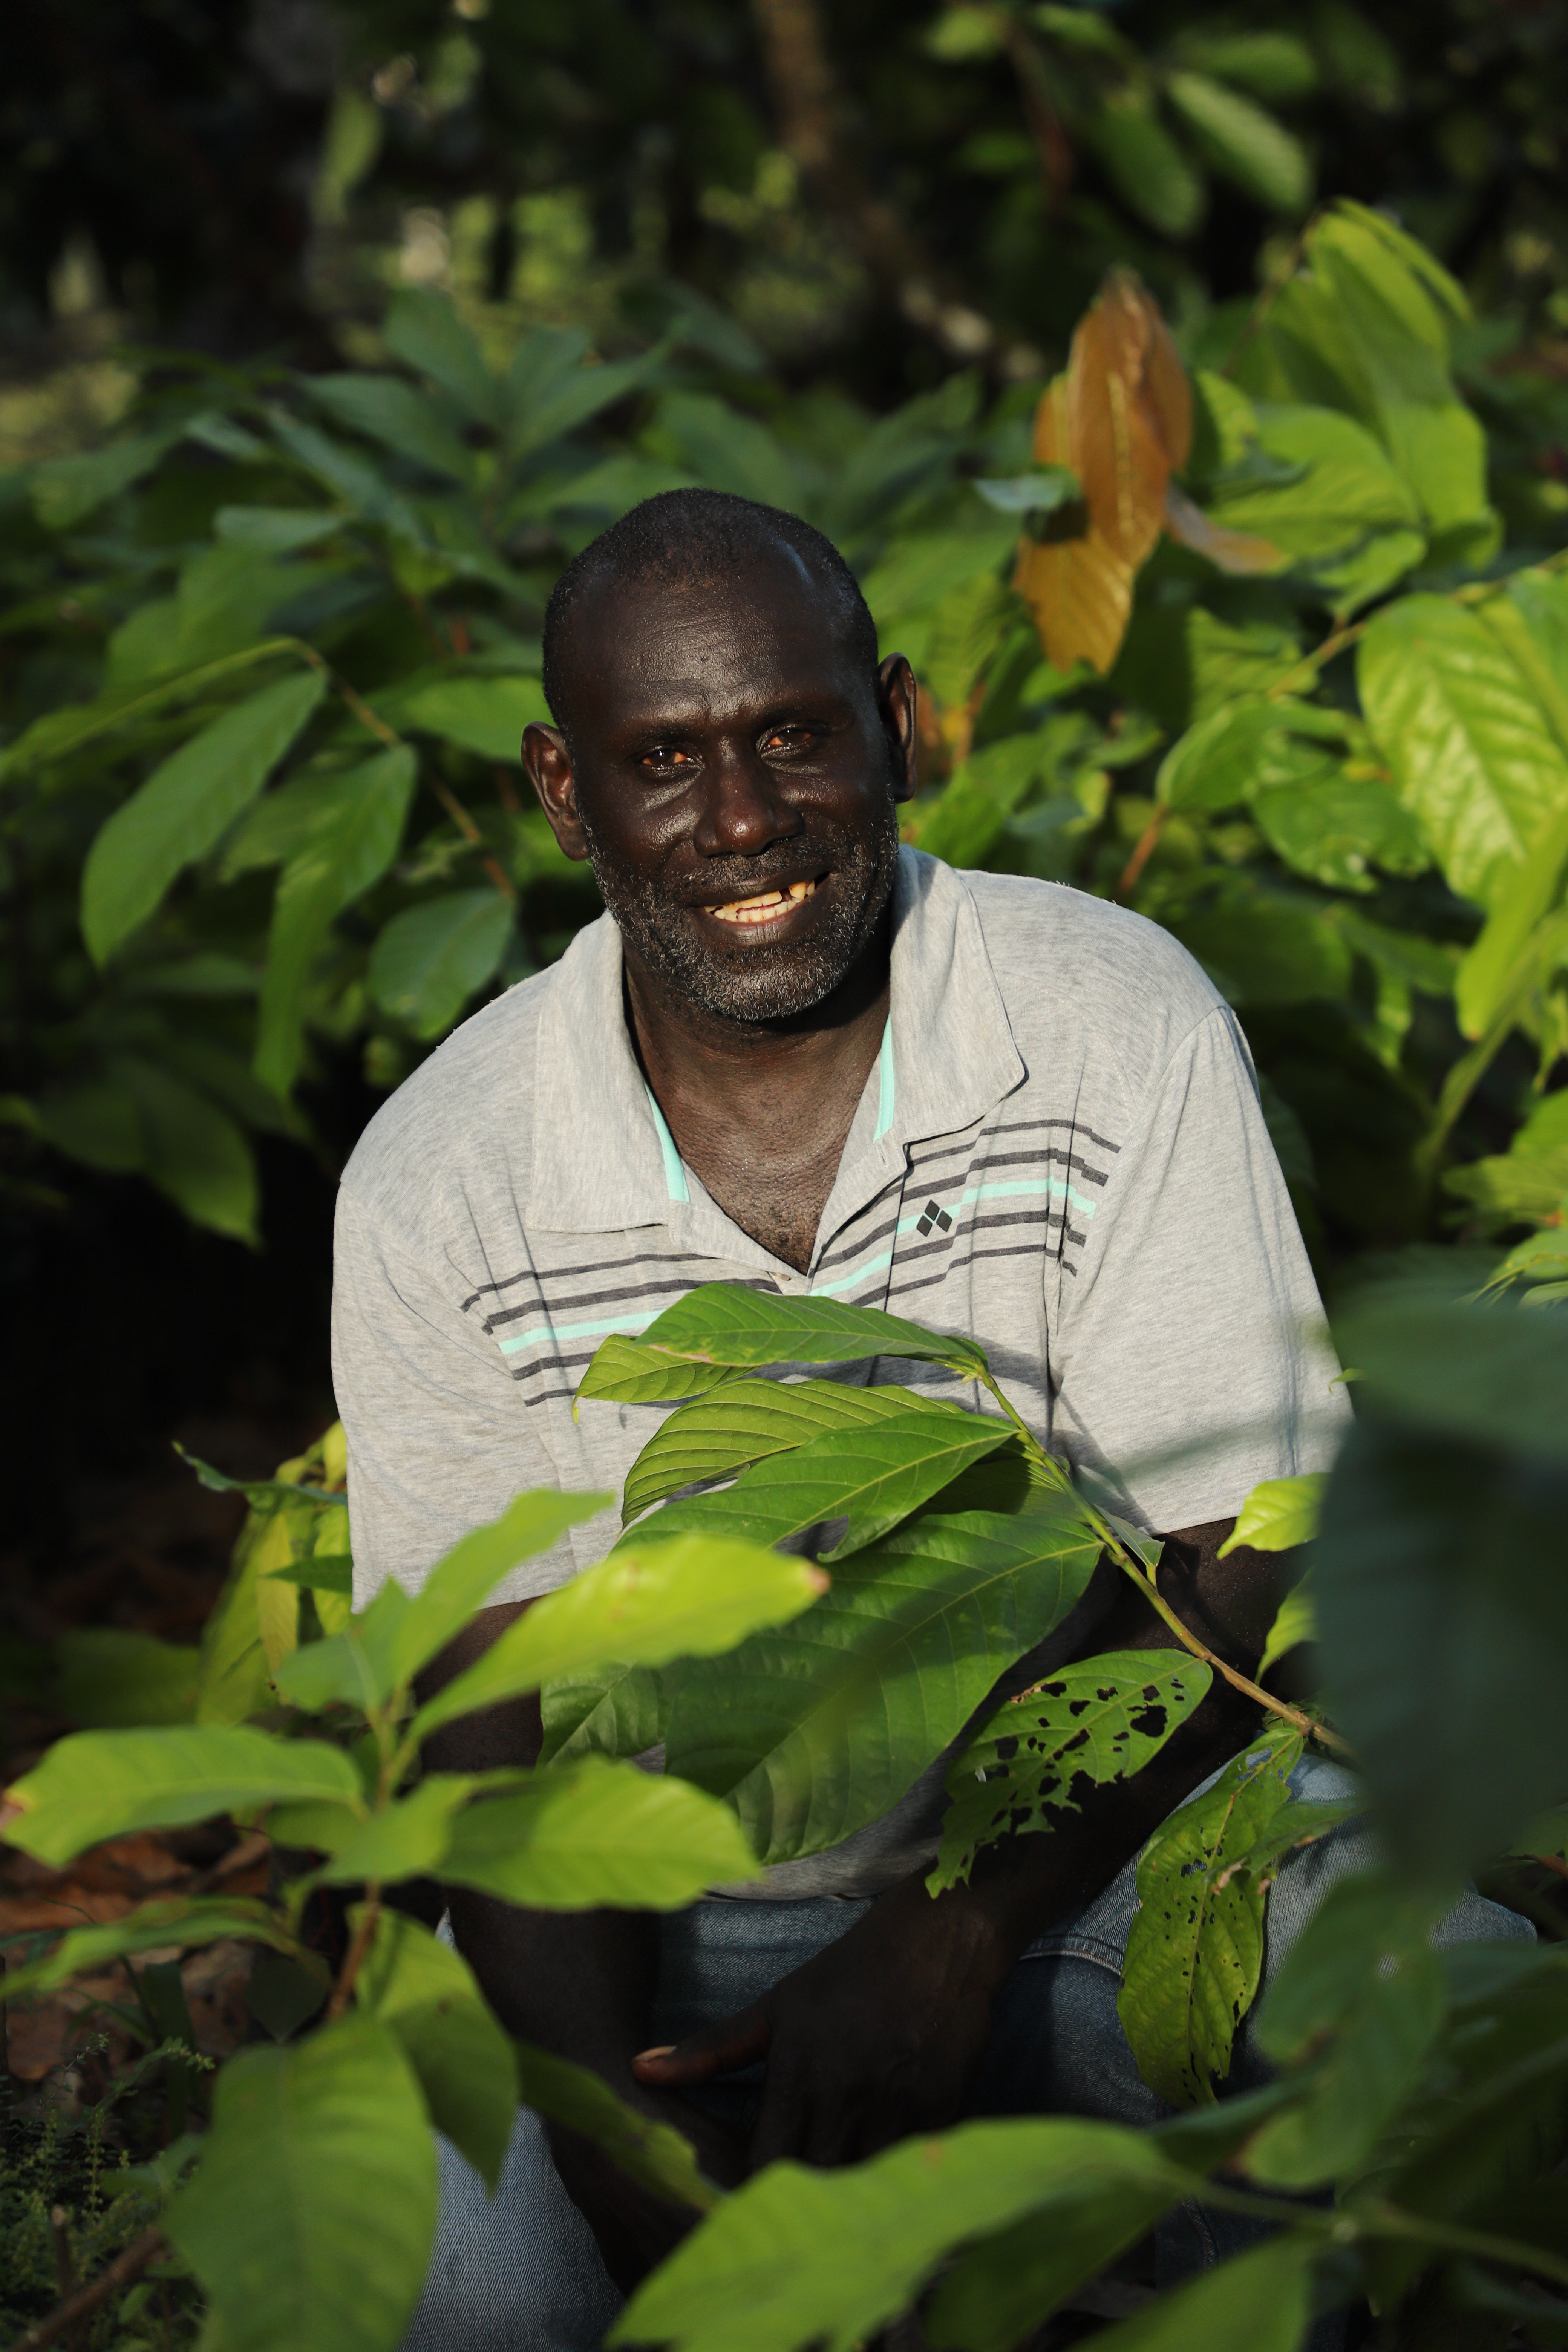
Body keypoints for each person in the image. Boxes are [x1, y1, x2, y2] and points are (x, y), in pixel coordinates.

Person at [332, 489, 1528, 2352]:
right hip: (659, 1930)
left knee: (1436, 2012)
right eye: (666, 764)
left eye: (792, 736)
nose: (743, 824)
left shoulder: (1110, 1022)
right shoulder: (445, 1181)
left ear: (897, 721)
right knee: (463, 2273)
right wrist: (605, 2131)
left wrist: (951, 1930)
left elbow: (1238, 1553)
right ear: (566, 796)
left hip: (1101, 1871)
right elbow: (481, 1707)